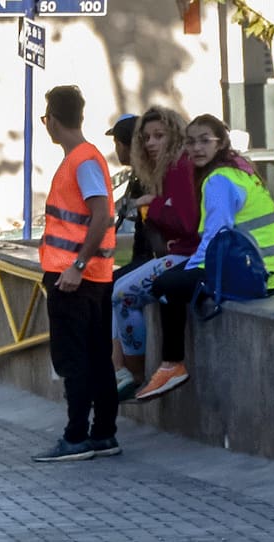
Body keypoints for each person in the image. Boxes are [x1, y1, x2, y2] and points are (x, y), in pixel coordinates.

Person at [143, 114, 274, 400]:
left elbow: (216, 236)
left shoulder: (218, 181)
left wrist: (193, 269)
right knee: (174, 280)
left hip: (254, 275)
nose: (197, 148)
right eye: (190, 142)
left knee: (164, 286)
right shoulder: (238, 169)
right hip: (265, 270)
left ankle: (172, 364)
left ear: (220, 143)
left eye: (205, 141)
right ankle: (171, 365)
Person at [32, 85, 119, 463]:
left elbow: (102, 215)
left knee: (75, 360)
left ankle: (76, 436)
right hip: (93, 276)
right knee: (97, 358)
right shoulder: (86, 158)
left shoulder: (82, 161)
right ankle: (103, 434)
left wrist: (76, 266)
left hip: (75, 278)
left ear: (51, 120)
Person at [110, 106, 199, 400]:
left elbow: (187, 221)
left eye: (158, 136)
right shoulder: (167, 169)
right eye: (146, 137)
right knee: (117, 291)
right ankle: (128, 373)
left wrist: (151, 205)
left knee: (122, 295)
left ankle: (134, 375)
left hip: (190, 254)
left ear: (174, 136)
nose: (150, 143)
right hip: (181, 251)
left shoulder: (179, 167)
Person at [106, 113, 153, 274]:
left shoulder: (148, 177)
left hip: (151, 259)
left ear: (123, 145)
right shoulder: (141, 173)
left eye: (116, 143)